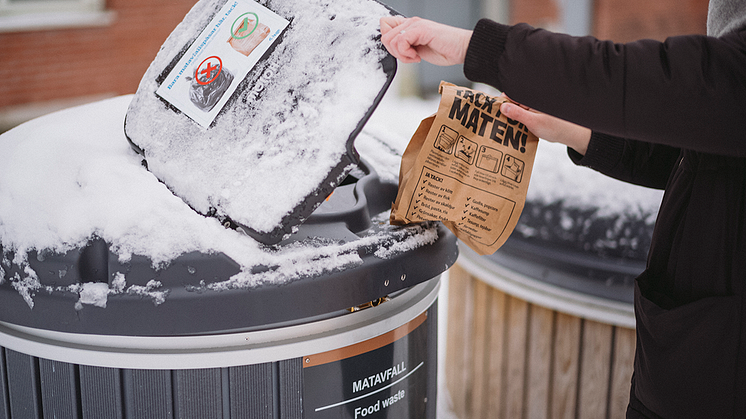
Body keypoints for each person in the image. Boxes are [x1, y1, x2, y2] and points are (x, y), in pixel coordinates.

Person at [380, 1, 746, 418]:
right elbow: (705, 144)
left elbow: (687, 83)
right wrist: (579, 132)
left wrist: (480, 49)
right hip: (692, 355)